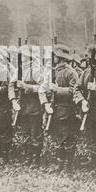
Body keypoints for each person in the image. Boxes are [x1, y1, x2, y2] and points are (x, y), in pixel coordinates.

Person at [39, 44, 79, 172]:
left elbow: (75, 91)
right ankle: (59, 164)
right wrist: (45, 103)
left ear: (61, 57)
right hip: (53, 110)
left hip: (67, 110)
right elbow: (42, 89)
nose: (53, 57)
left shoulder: (70, 72)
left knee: (67, 138)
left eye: (55, 55)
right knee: (58, 138)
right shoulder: (51, 71)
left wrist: (58, 90)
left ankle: (69, 166)